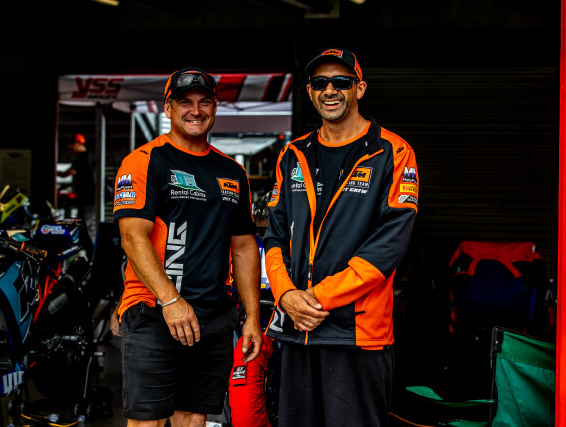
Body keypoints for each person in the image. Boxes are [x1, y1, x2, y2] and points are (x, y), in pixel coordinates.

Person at [263, 48, 419, 427]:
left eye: (341, 82)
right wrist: (285, 294)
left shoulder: (393, 152)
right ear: (310, 91)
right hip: (296, 328)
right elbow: (275, 235)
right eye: (320, 82)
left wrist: (316, 298)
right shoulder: (292, 154)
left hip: (356, 333)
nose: (329, 90)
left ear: (359, 88)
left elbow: (389, 246)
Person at [113, 67, 263, 427]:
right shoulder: (145, 160)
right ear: (168, 108)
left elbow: (244, 248)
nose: (196, 111)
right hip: (155, 311)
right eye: (185, 102)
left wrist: (252, 317)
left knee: (194, 419)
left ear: (215, 107)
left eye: (204, 102)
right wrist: (171, 300)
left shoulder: (233, 172)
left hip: (213, 315)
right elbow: (133, 237)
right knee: (147, 421)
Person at [57, 132, 97, 250]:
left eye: (72, 145)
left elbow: (68, 173)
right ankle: (87, 252)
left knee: (86, 227)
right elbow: (83, 179)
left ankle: (94, 255)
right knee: (82, 227)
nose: (70, 148)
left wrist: (53, 173)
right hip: (86, 200)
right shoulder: (87, 158)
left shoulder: (82, 158)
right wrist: (66, 186)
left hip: (88, 200)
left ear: (79, 144)